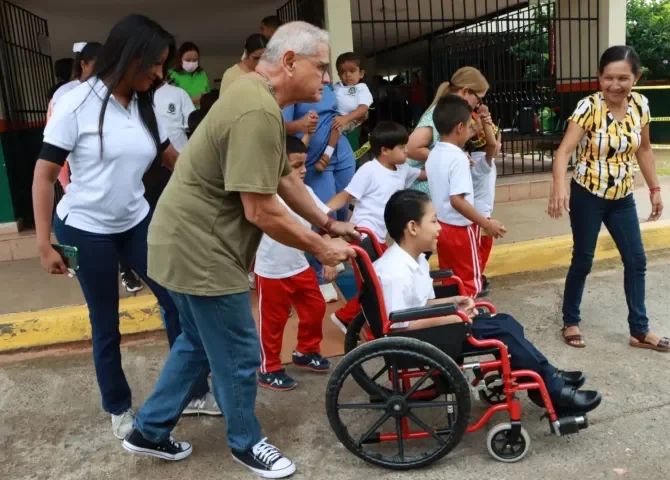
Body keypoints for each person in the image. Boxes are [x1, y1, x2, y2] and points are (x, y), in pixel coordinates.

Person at [122, 22, 358, 478]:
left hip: (178, 241)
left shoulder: (255, 97)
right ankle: (246, 443)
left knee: (196, 342)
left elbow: (284, 178)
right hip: (201, 250)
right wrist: (319, 248)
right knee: (238, 350)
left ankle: (147, 431)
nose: (327, 79)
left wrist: (327, 223)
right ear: (290, 61)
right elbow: (261, 211)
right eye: (322, 67)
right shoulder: (256, 109)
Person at [32, 14, 220, 442]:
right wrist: (44, 244)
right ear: (130, 56)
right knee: (106, 321)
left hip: (135, 220)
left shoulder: (143, 104)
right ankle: (118, 406)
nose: (160, 73)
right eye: (154, 64)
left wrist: (217, 181)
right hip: (85, 227)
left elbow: (170, 156)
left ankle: (193, 393)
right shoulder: (76, 105)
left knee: (179, 302)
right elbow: (44, 176)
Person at [375, 189, 602, 414]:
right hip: (420, 343)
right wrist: (453, 318)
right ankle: (552, 389)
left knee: (505, 322)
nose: (439, 228)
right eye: (434, 221)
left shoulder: (415, 259)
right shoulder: (396, 272)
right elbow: (398, 326)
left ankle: (547, 376)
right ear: (413, 227)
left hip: (432, 330)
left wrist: (455, 303)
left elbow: (419, 306)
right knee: (503, 334)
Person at [549, 45, 668, 352]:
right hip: (588, 194)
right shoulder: (588, 107)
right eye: (609, 77)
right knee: (583, 259)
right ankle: (571, 320)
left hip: (622, 195)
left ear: (636, 78)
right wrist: (559, 187)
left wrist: (655, 189)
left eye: (623, 78)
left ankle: (639, 330)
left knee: (636, 259)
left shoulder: (641, 105)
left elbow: (643, 150)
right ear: (599, 77)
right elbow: (564, 151)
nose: (615, 85)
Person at [328, 121, 425, 332]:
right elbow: (346, 196)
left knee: (376, 284)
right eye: (401, 147)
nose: (407, 151)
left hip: (378, 237)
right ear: (384, 151)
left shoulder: (402, 169)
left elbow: (422, 174)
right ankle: (355, 321)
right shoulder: (369, 170)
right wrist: (321, 211)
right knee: (376, 285)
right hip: (363, 235)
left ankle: (349, 318)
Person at [255, 135, 333, 392]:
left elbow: (324, 223)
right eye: (296, 166)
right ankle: (270, 368)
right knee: (273, 323)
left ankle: (306, 351)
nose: (303, 170)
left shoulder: (306, 193)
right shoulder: (264, 198)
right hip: (271, 272)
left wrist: (329, 254)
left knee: (316, 307)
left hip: (300, 267)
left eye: (304, 164)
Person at [425, 95, 506, 298]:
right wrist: (486, 224)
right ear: (460, 127)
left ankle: (452, 319)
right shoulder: (459, 158)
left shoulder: (434, 153)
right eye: (470, 127)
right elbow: (457, 200)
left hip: (441, 226)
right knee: (470, 284)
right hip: (460, 230)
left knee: (451, 279)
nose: (471, 131)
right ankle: (468, 324)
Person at [284, 81, 357, 303]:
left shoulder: (327, 89)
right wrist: (303, 126)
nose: (325, 78)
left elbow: (336, 121)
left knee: (338, 210)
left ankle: (332, 264)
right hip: (307, 157)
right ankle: (322, 273)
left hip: (332, 151)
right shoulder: (290, 92)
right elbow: (281, 126)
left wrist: (330, 150)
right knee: (321, 213)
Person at [406, 67, 493, 196]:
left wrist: (477, 128)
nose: (478, 104)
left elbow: (449, 141)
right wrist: (449, 158)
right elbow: (411, 147)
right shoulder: (438, 114)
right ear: (465, 91)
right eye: (478, 99)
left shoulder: (449, 112)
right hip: (421, 194)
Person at [47, 42, 103, 193]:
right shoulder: (65, 93)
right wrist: (65, 183)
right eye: (96, 66)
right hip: (76, 163)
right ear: (83, 64)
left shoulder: (107, 90)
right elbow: (58, 138)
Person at [467, 103, 501, 296]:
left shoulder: (472, 160)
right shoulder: (483, 163)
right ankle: (476, 278)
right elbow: (492, 145)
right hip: (481, 216)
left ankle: (476, 276)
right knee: (480, 251)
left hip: (476, 214)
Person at [328, 52, 373, 154]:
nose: (347, 75)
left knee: (350, 147)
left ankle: (327, 154)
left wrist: (346, 118)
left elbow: (363, 109)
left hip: (351, 120)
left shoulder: (361, 88)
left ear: (361, 73)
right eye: (343, 72)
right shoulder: (337, 86)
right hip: (337, 117)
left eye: (352, 71)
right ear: (339, 75)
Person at [154, 67, 196, 153]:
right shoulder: (136, 96)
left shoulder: (179, 93)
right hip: (149, 161)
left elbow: (193, 126)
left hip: (179, 157)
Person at [168, 42, 210, 107]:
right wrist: (194, 100)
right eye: (188, 60)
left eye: (195, 60)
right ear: (180, 59)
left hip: (201, 114)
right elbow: (170, 102)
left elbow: (208, 94)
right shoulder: (171, 74)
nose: (191, 63)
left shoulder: (202, 74)